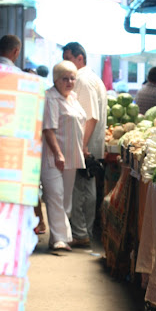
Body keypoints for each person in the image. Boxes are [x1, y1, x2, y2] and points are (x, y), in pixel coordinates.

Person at [62, 42, 107, 248]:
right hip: (89, 144)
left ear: (80, 58)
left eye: (68, 58)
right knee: (85, 186)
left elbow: (91, 117)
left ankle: (81, 233)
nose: (66, 63)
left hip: (84, 144)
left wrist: (82, 146)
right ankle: (83, 231)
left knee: (80, 188)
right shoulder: (91, 77)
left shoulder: (83, 79)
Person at [40, 61, 86, 252]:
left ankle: (62, 237)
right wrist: (58, 153)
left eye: (72, 78)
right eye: (64, 78)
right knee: (55, 195)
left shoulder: (73, 98)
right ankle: (58, 238)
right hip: (53, 156)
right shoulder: (50, 98)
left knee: (66, 198)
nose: (69, 82)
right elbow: (48, 129)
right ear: (56, 80)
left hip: (72, 155)